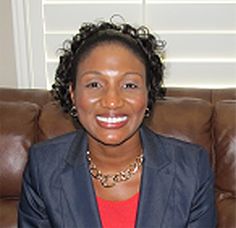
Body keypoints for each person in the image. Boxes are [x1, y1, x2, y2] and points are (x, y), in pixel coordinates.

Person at [18, 20, 216, 227]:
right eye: (94, 84)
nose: (112, 101)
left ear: (148, 94)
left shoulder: (191, 168)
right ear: (73, 93)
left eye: (129, 85)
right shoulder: (44, 167)